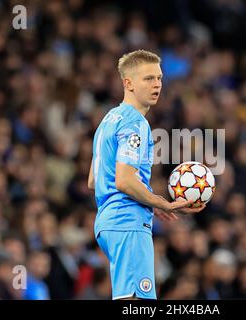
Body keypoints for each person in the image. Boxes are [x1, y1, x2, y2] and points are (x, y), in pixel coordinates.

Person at [88, 50, 204, 300]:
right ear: (128, 83)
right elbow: (124, 180)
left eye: (160, 78)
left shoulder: (108, 119)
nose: (157, 85)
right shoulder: (135, 123)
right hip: (127, 222)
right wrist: (164, 203)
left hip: (108, 223)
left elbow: (94, 179)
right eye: (148, 78)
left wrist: (147, 198)